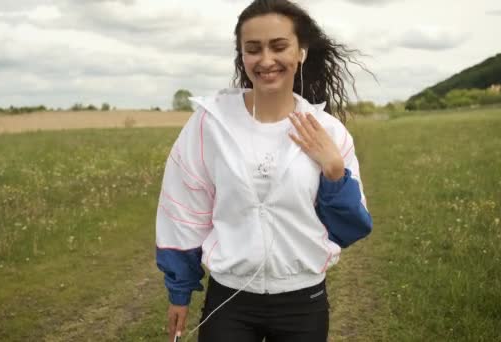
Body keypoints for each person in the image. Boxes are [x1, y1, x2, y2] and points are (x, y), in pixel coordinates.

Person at [155, 0, 373, 341]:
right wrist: (179, 290)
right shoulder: (209, 125)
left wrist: (333, 171)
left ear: (301, 52)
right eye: (253, 49)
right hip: (229, 300)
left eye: (279, 46)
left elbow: (350, 228)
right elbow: (183, 208)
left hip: (303, 301)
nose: (266, 60)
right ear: (242, 57)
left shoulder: (329, 133)